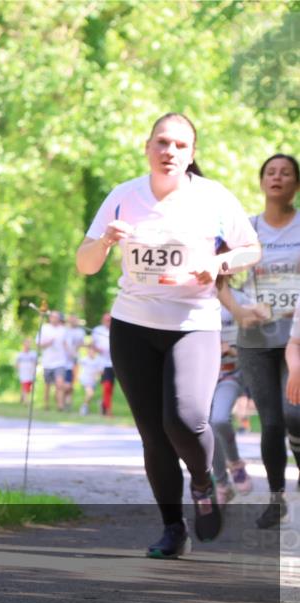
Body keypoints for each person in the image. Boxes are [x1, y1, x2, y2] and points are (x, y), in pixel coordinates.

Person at [75, 112, 260, 558]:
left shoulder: (212, 197)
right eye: (162, 142)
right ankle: (173, 529)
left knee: (185, 418)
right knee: (154, 435)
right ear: (147, 147)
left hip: (192, 323)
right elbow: (84, 263)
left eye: (180, 145)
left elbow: (251, 248)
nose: (169, 151)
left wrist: (218, 264)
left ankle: (203, 481)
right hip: (133, 326)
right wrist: (103, 243)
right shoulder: (124, 196)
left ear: (191, 153)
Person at [219, 153, 300, 527]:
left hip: (297, 337)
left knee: (294, 414)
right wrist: (238, 311)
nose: (277, 177)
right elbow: (215, 274)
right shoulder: (247, 230)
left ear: (296, 184)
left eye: (286, 173)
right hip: (255, 338)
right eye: (270, 172)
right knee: (270, 422)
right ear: (262, 181)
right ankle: (277, 499)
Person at [209, 287, 254, 506]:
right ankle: (221, 484)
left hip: (231, 373)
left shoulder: (242, 299)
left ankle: (235, 463)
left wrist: (230, 349)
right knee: (206, 429)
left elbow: (255, 342)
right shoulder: (188, 295)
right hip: (201, 376)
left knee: (218, 419)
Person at [39, 311, 68, 411]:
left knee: (59, 383)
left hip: (60, 362)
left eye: (56, 317)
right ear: (50, 318)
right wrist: (48, 343)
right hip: (47, 362)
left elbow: (66, 344)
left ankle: (60, 406)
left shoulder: (63, 330)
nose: (54, 318)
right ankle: (46, 404)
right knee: (47, 385)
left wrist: (70, 354)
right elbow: (39, 344)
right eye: (52, 317)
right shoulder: (44, 328)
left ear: (59, 319)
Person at [91, 313, 115, 416]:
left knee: (111, 387)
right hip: (103, 363)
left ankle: (104, 405)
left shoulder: (117, 330)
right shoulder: (97, 330)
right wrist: (97, 349)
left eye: (110, 320)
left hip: (116, 363)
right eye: (106, 320)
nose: (108, 322)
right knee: (107, 386)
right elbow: (92, 345)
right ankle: (107, 409)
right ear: (102, 321)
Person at [63, 314, 86, 409]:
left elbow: (81, 343)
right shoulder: (65, 330)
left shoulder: (81, 331)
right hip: (65, 361)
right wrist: (70, 351)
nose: (73, 321)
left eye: (75, 320)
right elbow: (63, 343)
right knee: (66, 384)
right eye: (72, 320)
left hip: (75, 360)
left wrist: (76, 350)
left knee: (72, 383)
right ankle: (63, 400)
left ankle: (68, 402)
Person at [76, 342, 105, 417]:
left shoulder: (98, 360)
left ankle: (87, 407)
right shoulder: (84, 359)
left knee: (90, 395)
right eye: (90, 350)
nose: (91, 352)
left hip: (93, 381)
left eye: (93, 351)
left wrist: (97, 373)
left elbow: (101, 371)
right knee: (90, 393)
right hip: (85, 379)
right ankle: (84, 407)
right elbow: (77, 363)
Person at [16, 338, 38, 405]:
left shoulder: (33, 354)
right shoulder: (20, 354)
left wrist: (34, 370)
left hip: (30, 372)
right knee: (25, 385)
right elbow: (17, 364)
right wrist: (18, 371)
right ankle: (26, 401)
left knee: (29, 386)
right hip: (23, 372)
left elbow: (35, 363)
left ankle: (22, 397)